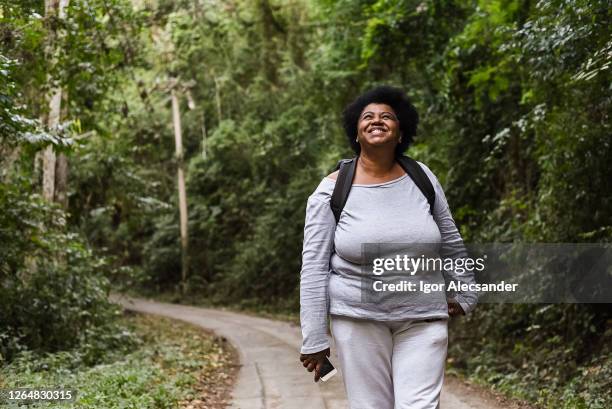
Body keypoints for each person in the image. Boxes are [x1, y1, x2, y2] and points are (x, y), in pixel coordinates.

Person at [298, 86, 477, 409]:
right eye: (368, 116)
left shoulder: (422, 177)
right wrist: (314, 336)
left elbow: (449, 240)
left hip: (423, 318)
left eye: (386, 117)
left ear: (400, 131)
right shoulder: (331, 190)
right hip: (357, 320)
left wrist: (467, 291)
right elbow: (314, 267)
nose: (376, 120)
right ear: (356, 131)